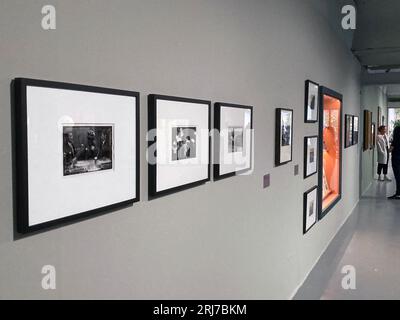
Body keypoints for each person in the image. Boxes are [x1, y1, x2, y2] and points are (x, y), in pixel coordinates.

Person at [388, 126, 400, 199]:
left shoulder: (395, 140)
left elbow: (390, 149)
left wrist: (388, 149)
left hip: (396, 159)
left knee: (398, 176)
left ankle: (398, 193)